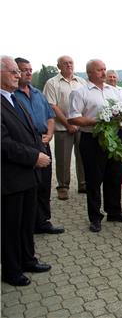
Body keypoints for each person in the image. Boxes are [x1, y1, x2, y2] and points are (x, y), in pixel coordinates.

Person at [1, 55, 52, 287]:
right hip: (11, 176)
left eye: (17, 72)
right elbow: (3, 143)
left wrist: (39, 149)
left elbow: (29, 130)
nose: (18, 75)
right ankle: (11, 270)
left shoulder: (14, 99)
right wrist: (34, 156)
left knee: (26, 222)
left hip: (28, 174)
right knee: (11, 226)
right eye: (13, 71)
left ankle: (28, 259)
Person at [69, 59, 122, 232]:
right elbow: (74, 118)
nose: (103, 73)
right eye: (99, 70)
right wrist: (98, 120)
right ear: (89, 73)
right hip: (92, 140)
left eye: (104, 69)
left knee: (114, 176)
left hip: (114, 139)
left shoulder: (115, 91)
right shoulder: (80, 92)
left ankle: (114, 211)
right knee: (94, 179)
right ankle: (95, 217)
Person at [14, 58, 64, 235]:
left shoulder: (37, 94)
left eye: (29, 69)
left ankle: (42, 222)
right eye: (23, 70)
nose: (28, 73)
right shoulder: (11, 96)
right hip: (24, 147)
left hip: (42, 144)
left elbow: (50, 117)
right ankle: (26, 224)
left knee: (43, 185)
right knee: (28, 186)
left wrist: (50, 134)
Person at [43, 55, 87, 200]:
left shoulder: (81, 81)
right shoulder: (52, 83)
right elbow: (52, 106)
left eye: (71, 63)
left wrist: (79, 122)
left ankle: (83, 183)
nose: (69, 65)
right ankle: (63, 186)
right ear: (59, 66)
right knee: (63, 159)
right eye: (65, 63)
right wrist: (68, 124)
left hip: (81, 126)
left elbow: (86, 103)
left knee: (83, 156)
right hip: (62, 127)